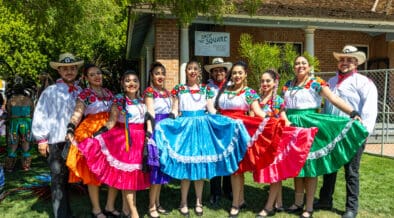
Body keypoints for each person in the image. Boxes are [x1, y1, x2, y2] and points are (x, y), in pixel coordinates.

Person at [154, 59, 250, 217]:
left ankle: (199, 202)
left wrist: (227, 121)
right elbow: (175, 109)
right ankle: (183, 202)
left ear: (199, 72)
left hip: (202, 129)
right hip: (185, 128)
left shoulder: (206, 89)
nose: (192, 71)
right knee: (185, 166)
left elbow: (211, 109)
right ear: (186, 72)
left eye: (195, 69)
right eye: (189, 68)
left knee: (199, 166)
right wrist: (167, 122)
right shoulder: (179, 88)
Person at [283, 55, 369, 218]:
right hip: (291, 127)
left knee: (310, 166)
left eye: (303, 63)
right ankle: (297, 202)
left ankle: (308, 207)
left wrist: (352, 112)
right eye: (297, 63)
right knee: (297, 166)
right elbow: (283, 106)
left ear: (309, 67)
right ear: (293, 67)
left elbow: (333, 98)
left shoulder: (315, 83)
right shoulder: (288, 84)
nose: (300, 66)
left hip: (309, 125)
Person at [314, 45, 378, 218]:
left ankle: (351, 208)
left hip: (353, 134)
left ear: (356, 62)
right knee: (329, 168)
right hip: (332, 132)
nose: (345, 63)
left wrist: (363, 133)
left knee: (351, 171)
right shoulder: (331, 82)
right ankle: (325, 199)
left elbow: (370, 110)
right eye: (342, 59)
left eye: (349, 60)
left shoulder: (365, 83)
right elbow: (327, 106)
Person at [78, 70, 150, 218]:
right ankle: (134, 213)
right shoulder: (118, 100)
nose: (132, 83)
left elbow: (147, 119)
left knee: (133, 177)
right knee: (128, 177)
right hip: (124, 141)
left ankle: (125, 210)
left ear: (139, 83)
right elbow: (111, 122)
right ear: (122, 84)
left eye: (135, 80)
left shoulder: (142, 100)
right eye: (128, 81)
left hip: (140, 141)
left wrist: (149, 135)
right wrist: (97, 135)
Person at [253, 69, 317, 218]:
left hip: (276, 141)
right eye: (262, 81)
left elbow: (285, 119)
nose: (264, 84)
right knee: (269, 173)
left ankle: (268, 207)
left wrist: (300, 131)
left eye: (268, 81)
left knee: (274, 173)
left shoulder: (278, 101)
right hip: (262, 142)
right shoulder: (257, 99)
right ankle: (279, 204)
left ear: (275, 82)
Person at [32, 52, 84, 218]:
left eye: (72, 68)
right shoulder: (50, 91)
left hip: (77, 142)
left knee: (72, 178)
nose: (69, 71)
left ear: (76, 70)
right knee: (58, 179)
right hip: (56, 140)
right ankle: (61, 215)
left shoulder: (81, 91)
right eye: (65, 69)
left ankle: (70, 211)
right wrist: (41, 139)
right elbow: (41, 114)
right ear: (59, 71)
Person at [65, 64, 119, 218]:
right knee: (93, 171)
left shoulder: (109, 93)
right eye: (92, 74)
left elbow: (114, 115)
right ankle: (96, 209)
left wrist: (105, 129)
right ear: (86, 78)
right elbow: (77, 113)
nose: (97, 76)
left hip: (109, 132)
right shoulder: (84, 94)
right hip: (90, 132)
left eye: (99, 73)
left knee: (114, 169)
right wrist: (70, 127)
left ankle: (110, 206)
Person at [143, 62, 172, 218]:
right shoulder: (149, 92)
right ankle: (151, 206)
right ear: (151, 76)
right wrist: (150, 134)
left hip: (166, 132)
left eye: (162, 73)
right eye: (156, 73)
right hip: (156, 131)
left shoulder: (167, 93)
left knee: (161, 169)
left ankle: (158, 202)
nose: (160, 76)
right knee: (155, 170)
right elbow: (150, 113)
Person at [204, 57, 233, 204]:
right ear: (212, 73)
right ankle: (215, 192)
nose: (218, 72)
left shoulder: (232, 86)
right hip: (213, 126)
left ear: (226, 72)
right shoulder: (207, 88)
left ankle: (228, 189)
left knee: (228, 156)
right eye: (215, 70)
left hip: (228, 126)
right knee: (215, 158)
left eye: (221, 70)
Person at [4, 79, 35, 172]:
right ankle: (26, 167)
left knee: (13, 144)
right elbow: (32, 112)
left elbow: (9, 112)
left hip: (14, 122)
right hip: (27, 122)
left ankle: (9, 167)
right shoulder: (29, 100)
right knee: (26, 143)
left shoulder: (11, 100)